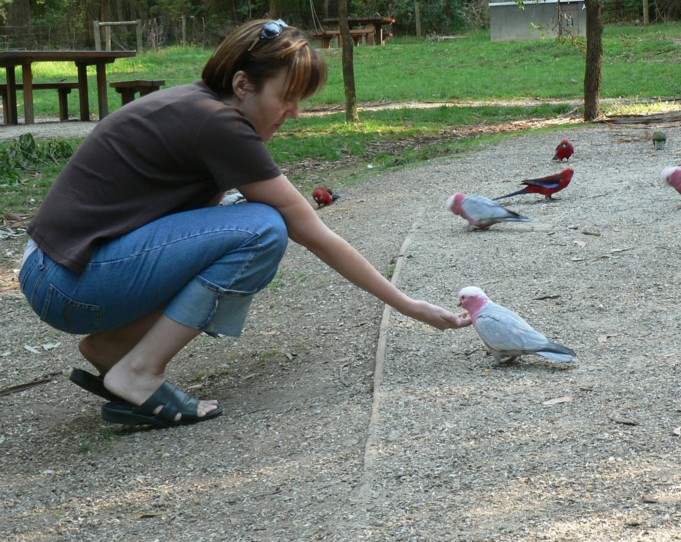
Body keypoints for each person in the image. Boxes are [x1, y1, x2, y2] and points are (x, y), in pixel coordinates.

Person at [19, 18, 470, 428]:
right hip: (68, 280)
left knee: (243, 219)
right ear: (243, 84)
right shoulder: (218, 123)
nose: (295, 111)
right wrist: (409, 305)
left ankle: (114, 348)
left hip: (60, 272)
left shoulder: (197, 106)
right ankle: (139, 372)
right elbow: (313, 233)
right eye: (287, 97)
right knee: (262, 228)